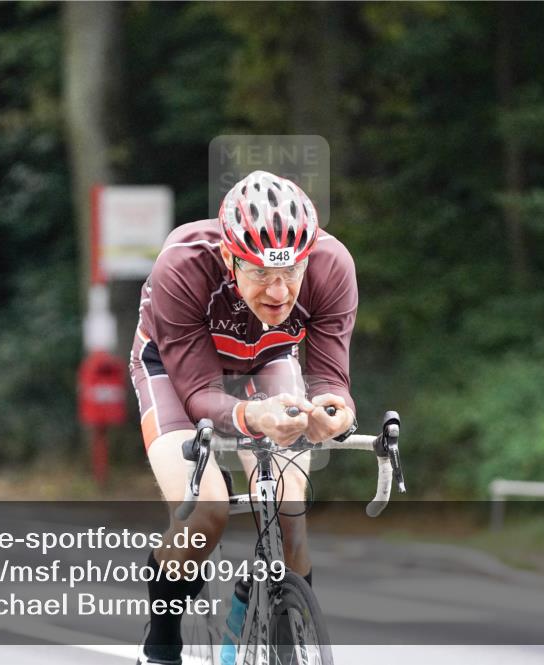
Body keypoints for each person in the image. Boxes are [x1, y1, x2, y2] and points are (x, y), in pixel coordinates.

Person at [129, 170, 359, 664]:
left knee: (288, 508)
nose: (279, 292)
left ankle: (279, 624)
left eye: (291, 272)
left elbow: (330, 380)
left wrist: (335, 414)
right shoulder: (182, 264)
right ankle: (162, 638)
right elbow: (198, 394)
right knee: (205, 512)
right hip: (174, 370)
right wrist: (254, 416)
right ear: (229, 257)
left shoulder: (332, 266)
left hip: (267, 358)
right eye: (260, 273)